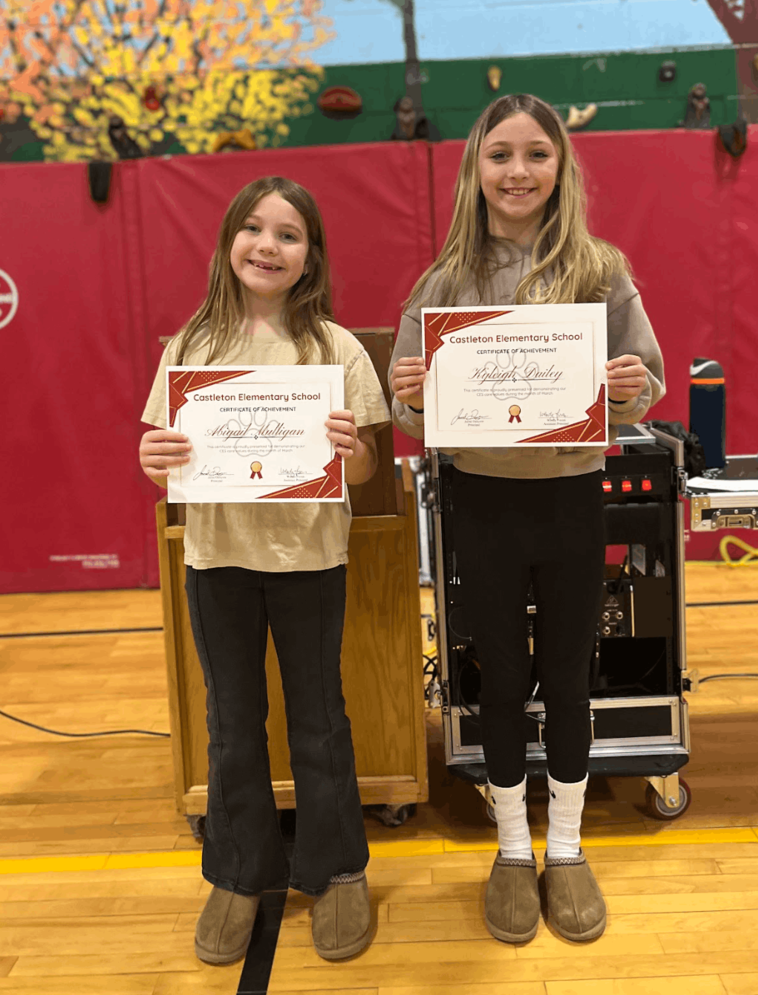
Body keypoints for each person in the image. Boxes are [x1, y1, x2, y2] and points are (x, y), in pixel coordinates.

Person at [389, 94, 665, 945]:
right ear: (475, 168)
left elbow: (647, 384)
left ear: (561, 168)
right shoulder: (443, 282)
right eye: (499, 155)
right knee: (501, 680)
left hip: (569, 496)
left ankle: (568, 847)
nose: (517, 171)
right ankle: (513, 850)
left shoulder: (599, 271)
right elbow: (410, 416)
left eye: (535, 155)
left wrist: (627, 388)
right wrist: (408, 396)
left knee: (570, 679)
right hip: (482, 500)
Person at [139, 177, 390, 964]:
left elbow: (371, 463)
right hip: (217, 562)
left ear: (309, 255)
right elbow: (163, 459)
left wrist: (353, 456)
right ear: (227, 243)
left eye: (288, 234)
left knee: (319, 722)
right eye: (253, 229)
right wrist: (153, 461)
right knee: (231, 726)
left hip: (311, 560)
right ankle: (239, 873)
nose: (267, 246)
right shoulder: (191, 347)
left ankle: (338, 869)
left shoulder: (335, 347)